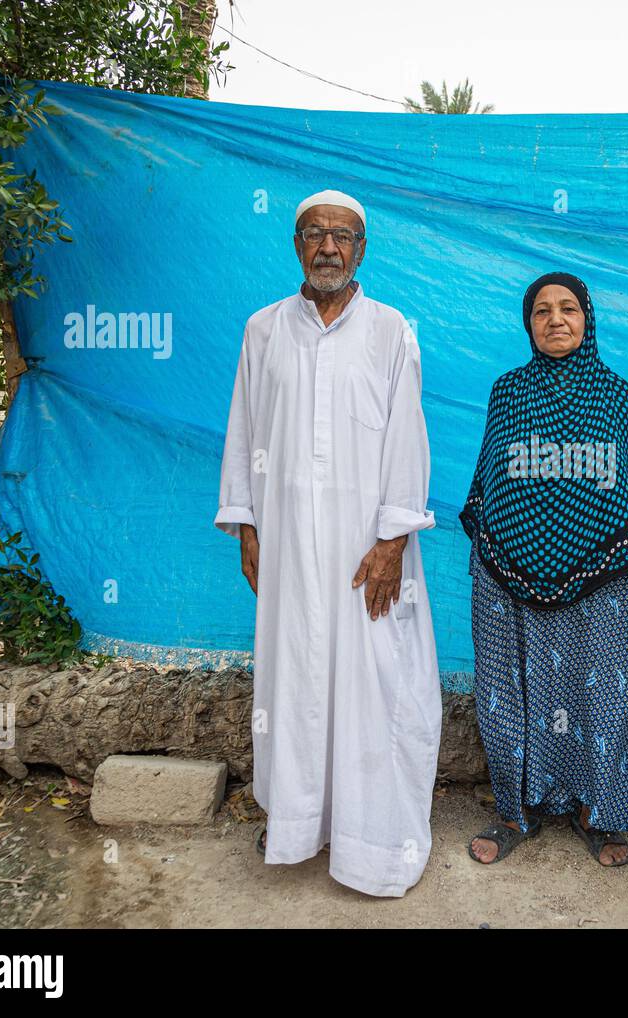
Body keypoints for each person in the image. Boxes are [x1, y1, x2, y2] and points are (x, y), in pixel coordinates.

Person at [214, 189, 441, 896]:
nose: (329, 247)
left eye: (343, 236)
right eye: (314, 234)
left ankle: (373, 837)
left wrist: (393, 541)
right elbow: (245, 431)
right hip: (287, 542)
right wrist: (248, 526)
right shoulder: (262, 330)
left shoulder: (390, 330)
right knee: (297, 680)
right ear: (296, 244)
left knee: (376, 680)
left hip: (367, 548)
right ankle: (299, 822)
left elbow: (407, 435)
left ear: (362, 249)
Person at [460, 272, 628, 867]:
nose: (555, 320)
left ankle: (595, 811)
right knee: (507, 690)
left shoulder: (616, 394)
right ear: (527, 324)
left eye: (568, 309)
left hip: (600, 571)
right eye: (542, 311)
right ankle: (512, 811)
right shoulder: (507, 391)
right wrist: (500, 548)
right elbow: (491, 483)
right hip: (506, 570)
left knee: (603, 692)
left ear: (587, 319)